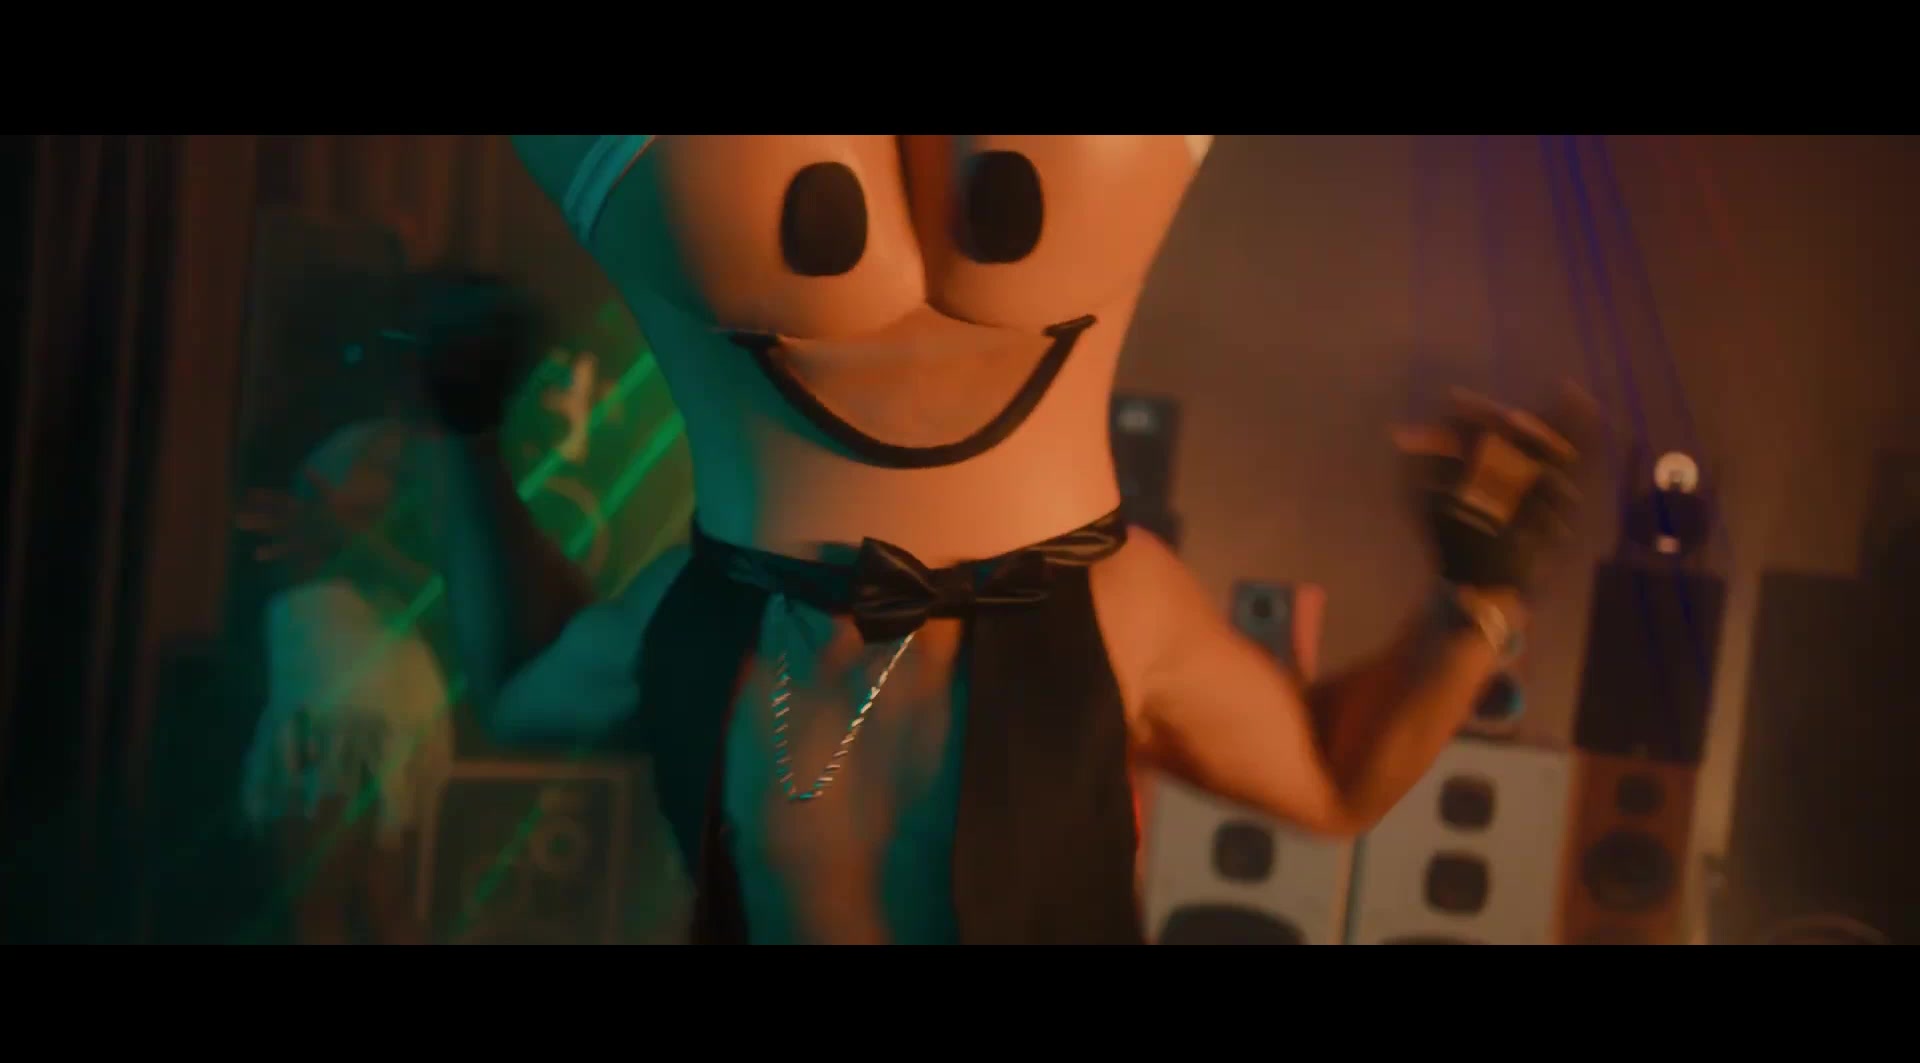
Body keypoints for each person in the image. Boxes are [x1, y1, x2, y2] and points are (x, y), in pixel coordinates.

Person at [421, 136, 1592, 945]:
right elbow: (523, 691)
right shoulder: (698, 613)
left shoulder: (1115, 609)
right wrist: (463, 437)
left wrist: (1476, 602)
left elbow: (1331, 784)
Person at [236, 419, 451, 944]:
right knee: (373, 897)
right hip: (360, 675)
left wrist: (340, 532)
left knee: (322, 903)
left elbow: (439, 592)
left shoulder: (394, 453)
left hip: (345, 680)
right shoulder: (387, 452)